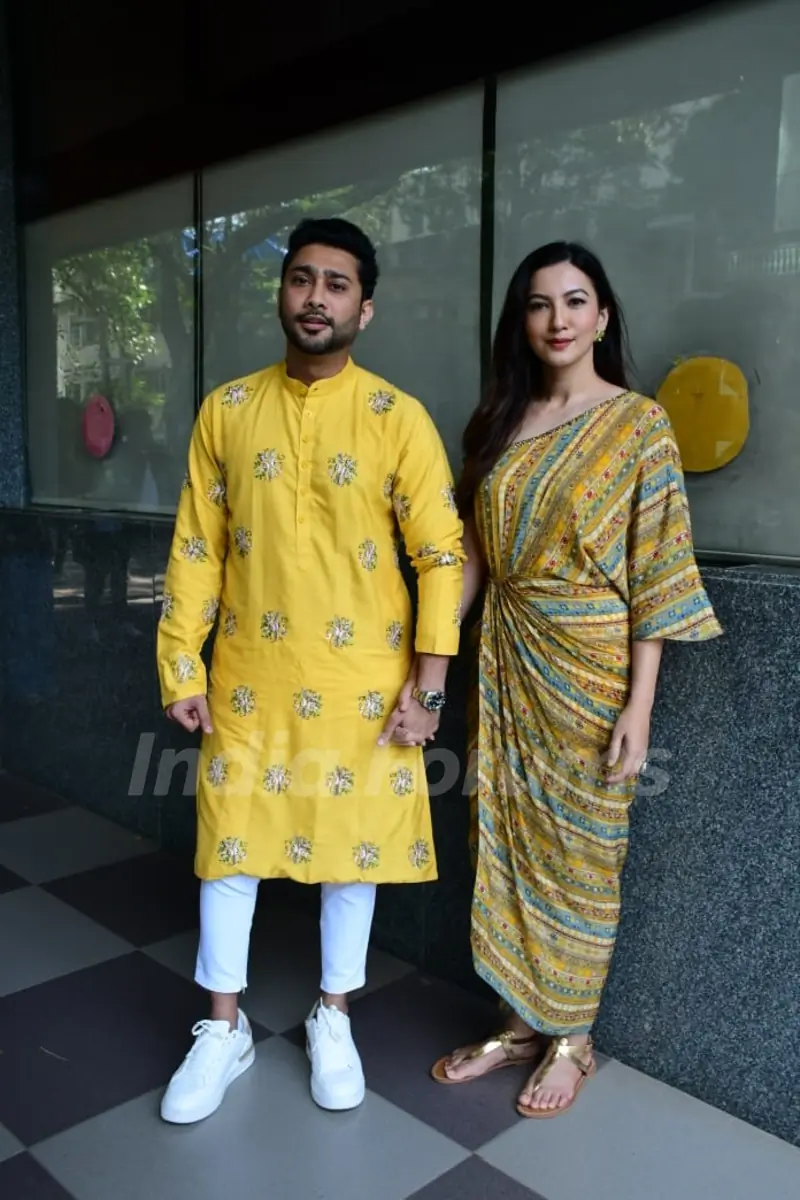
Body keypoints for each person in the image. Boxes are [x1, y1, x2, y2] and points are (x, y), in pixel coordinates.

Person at [156, 217, 464, 1123]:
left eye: (336, 284)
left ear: (365, 306)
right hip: (246, 676)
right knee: (229, 850)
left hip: (363, 687)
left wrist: (429, 688)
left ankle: (334, 1016)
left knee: (350, 857)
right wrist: (181, 662)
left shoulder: (397, 419)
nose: (315, 297)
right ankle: (224, 1029)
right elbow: (197, 546)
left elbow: (441, 554)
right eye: (301, 279)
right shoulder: (227, 410)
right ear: (281, 293)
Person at [430, 241, 722, 1117]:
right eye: (539, 303)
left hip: (591, 667)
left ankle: (574, 1036)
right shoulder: (496, 425)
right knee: (506, 839)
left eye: (575, 300)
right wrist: (432, 665)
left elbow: (657, 568)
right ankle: (520, 1020)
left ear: (602, 316)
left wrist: (640, 704)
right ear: (521, 321)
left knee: (583, 854)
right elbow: (474, 563)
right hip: (505, 662)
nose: (558, 319)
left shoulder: (639, 424)